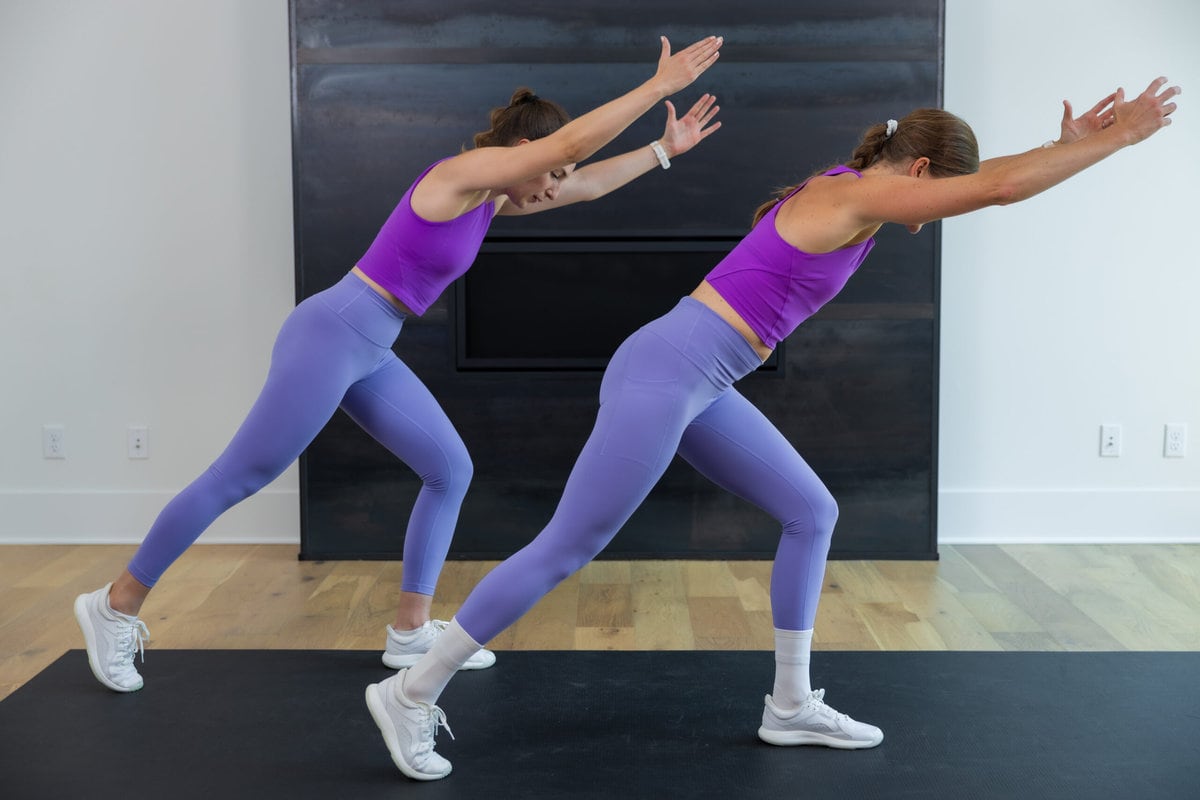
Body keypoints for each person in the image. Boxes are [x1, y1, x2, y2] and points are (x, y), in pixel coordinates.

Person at [365, 76, 1181, 780]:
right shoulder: (854, 194)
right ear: (920, 172)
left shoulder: (850, 180)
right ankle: (408, 693)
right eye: (934, 197)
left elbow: (993, 179)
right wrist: (1120, 140)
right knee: (568, 545)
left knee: (812, 512)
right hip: (669, 370)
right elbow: (997, 189)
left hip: (701, 375)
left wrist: (1056, 143)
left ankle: (790, 704)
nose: (930, 216)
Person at [73, 34, 725, 694]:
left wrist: (662, 152)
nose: (550, 188)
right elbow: (568, 154)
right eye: (546, 173)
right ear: (521, 153)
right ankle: (114, 605)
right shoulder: (456, 176)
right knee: (243, 474)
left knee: (449, 468)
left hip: (370, 345)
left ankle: (409, 631)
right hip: (332, 332)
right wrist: (656, 87)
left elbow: (582, 182)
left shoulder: (493, 197)